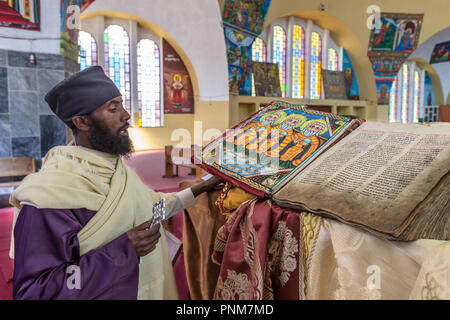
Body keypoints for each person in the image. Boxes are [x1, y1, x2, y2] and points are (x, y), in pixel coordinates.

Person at [9, 66, 222, 300]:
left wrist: (202, 185)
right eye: (113, 108)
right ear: (82, 121)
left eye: (121, 105)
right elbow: (34, 291)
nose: (126, 115)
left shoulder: (119, 172)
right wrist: (124, 251)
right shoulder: (47, 197)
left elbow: (154, 207)